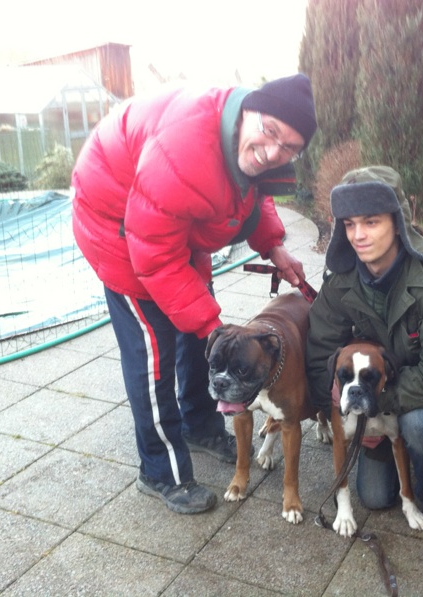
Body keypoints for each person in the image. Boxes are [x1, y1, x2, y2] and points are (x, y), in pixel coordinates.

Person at [72, 74, 318, 515]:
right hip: (118, 227)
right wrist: (214, 328)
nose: (273, 152)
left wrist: (273, 247)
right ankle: (159, 471)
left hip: (170, 223)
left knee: (195, 327)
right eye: (270, 132)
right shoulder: (186, 149)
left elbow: (253, 194)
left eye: (289, 148)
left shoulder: (243, 143)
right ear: (248, 112)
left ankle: (199, 423)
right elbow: (154, 256)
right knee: (154, 354)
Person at [306, 165, 423, 552]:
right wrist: (346, 404)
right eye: (350, 224)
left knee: (419, 425)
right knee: (375, 498)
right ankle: (395, 447)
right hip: (373, 392)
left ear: (398, 222)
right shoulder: (341, 280)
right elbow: (320, 350)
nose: (358, 235)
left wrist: (373, 406)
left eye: (371, 221)